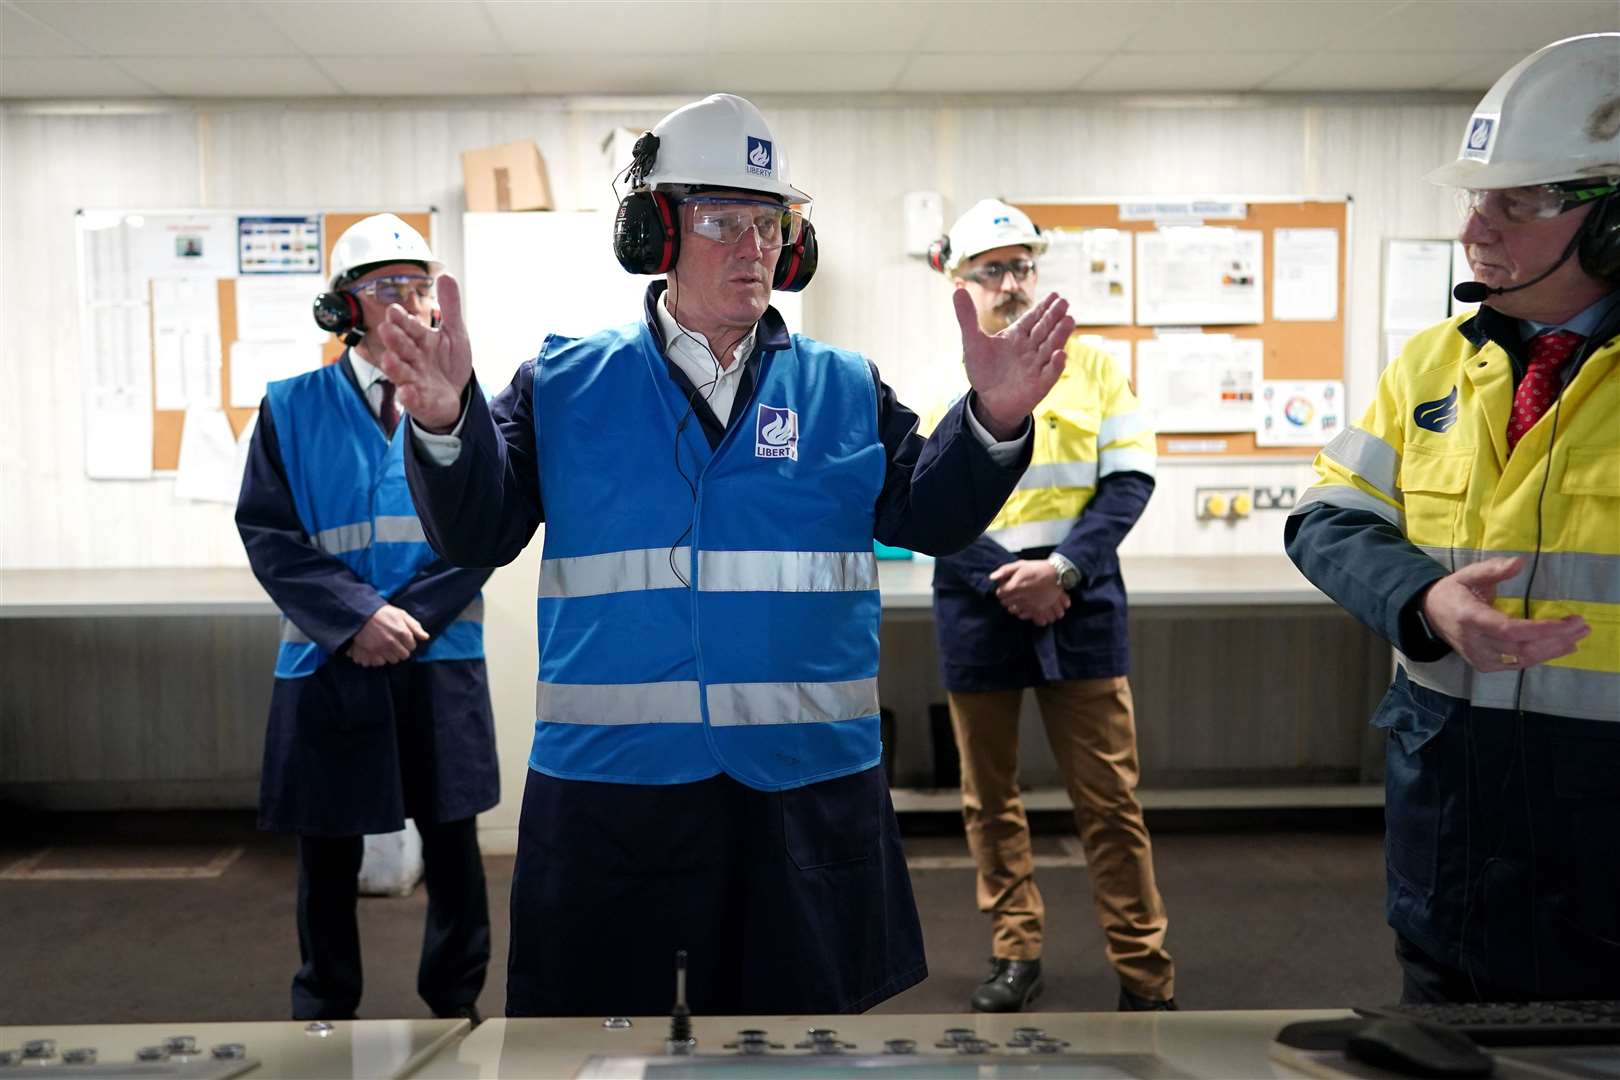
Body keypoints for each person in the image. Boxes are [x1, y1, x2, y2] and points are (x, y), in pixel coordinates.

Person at [374, 93, 1074, 1017]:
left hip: (800, 790)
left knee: (794, 1046)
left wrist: (993, 421)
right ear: (654, 232)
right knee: (603, 1048)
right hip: (614, 791)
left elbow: (932, 518)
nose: (755, 247)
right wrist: (442, 422)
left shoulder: (845, 387)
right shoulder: (564, 383)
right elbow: (477, 532)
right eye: (723, 219)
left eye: (771, 221)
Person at [1286, 33, 1620, 1003]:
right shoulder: (1434, 362)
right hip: (1456, 859)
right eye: (1477, 198)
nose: (1478, 227)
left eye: (1518, 202)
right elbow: (1328, 517)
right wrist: (1425, 596)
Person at [236, 213, 499, 1022]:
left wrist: (404, 617)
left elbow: (486, 523)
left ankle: (455, 1009)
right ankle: (324, 1010)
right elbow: (268, 531)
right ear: (343, 306)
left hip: (436, 653)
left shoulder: (458, 400)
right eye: (386, 287)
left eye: (418, 286)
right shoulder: (291, 408)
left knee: (454, 850)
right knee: (327, 849)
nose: (407, 303)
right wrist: (356, 619)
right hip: (328, 662)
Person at [923, 199, 1175, 1013]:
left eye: (1022, 266)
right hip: (980, 607)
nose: (1010, 282)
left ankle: (1144, 973)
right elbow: (927, 510)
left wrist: (1060, 570)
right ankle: (1014, 953)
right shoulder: (940, 382)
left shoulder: (1096, 366)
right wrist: (1012, 578)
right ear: (958, 281)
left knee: (1110, 805)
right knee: (988, 802)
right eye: (991, 269)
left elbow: (1128, 480)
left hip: (1081, 607)